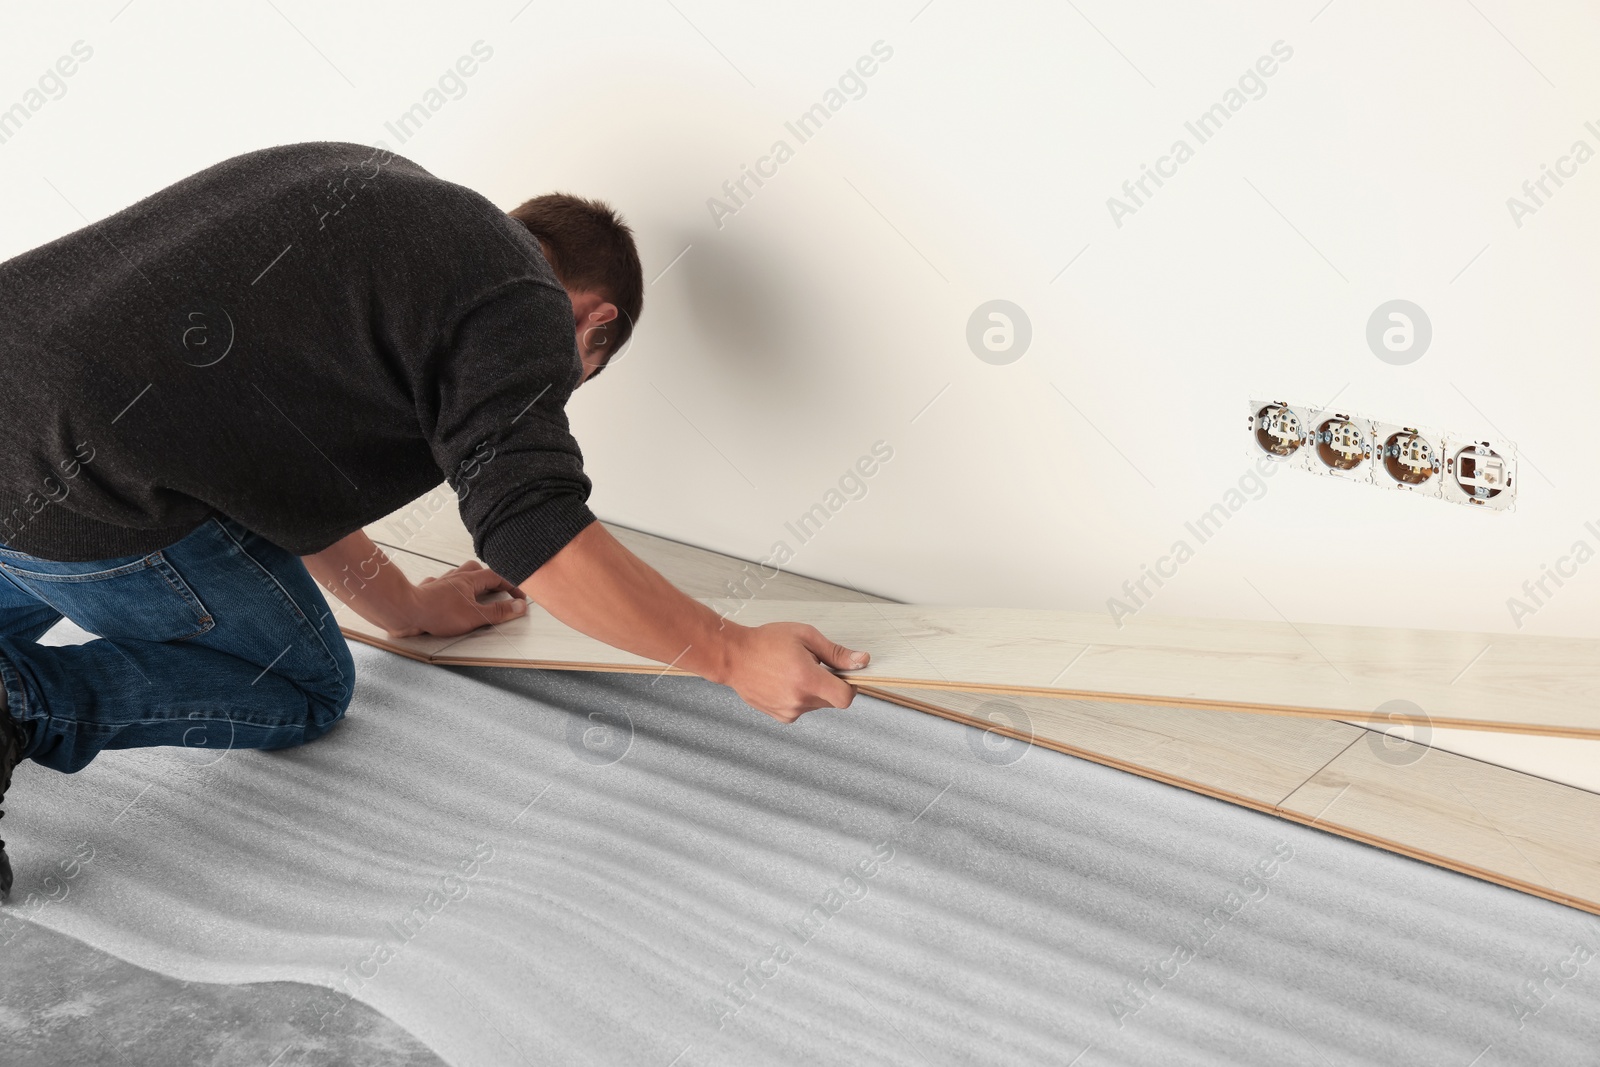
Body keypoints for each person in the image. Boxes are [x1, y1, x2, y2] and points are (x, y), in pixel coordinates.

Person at [0, 141, 869, 898]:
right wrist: (728, 649)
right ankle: (19, 698)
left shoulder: (369, 192)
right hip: (82, 481)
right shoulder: (516, 297)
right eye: (577, 375)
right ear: (593, 321)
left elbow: (282, 489)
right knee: (305, 686)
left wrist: (408, 607)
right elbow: (534, 527)